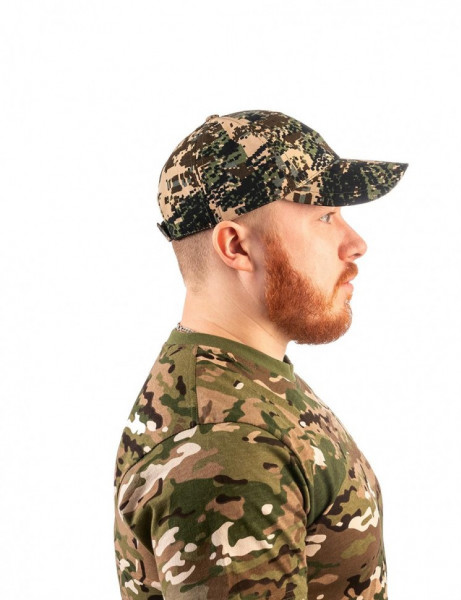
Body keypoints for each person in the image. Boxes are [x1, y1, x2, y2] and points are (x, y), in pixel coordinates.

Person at [113, 109, 408, 600]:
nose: (356, 244)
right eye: (325, 217)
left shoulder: (246, 378)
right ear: (236, 246)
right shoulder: (225, 448)